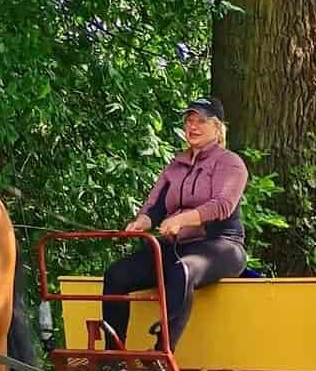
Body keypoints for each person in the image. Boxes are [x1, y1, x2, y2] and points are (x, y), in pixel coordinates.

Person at [101, 97, 248, 354]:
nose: (193, 126)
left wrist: (180, 220)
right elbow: (155, 207)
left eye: (201, 121)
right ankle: (113, 356)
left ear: (217, 128)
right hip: (176, 246)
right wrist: (140, 223)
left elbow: (222, 205)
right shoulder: (175, 166)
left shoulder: (230, 162)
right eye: (189, 120)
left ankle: (162, 353)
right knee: (117, 274)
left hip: (220, 245)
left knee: (182, 271)